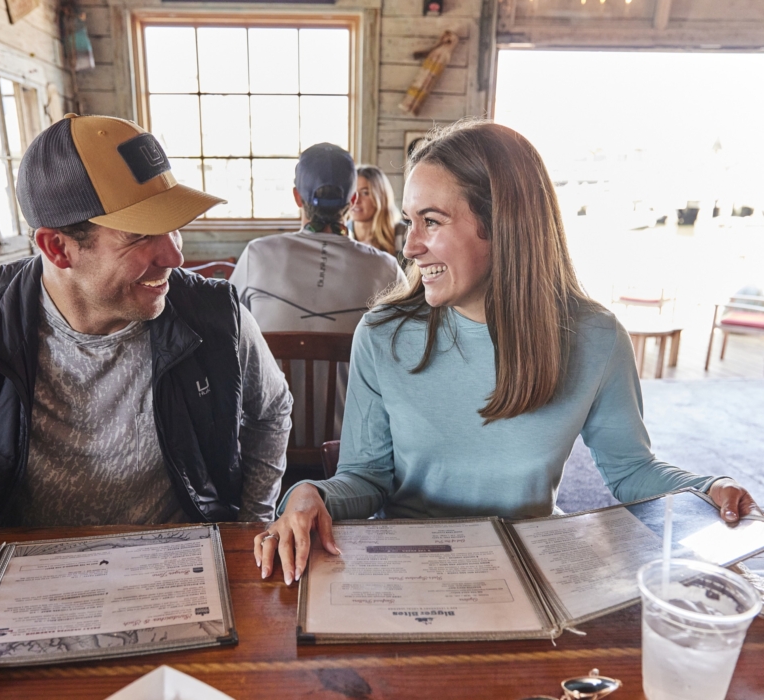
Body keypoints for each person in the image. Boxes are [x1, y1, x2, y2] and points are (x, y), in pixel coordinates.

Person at [0, 114, 293, 699]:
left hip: (182, 588)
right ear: (56, 246)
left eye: (174, 226)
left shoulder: (216, 314)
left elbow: (273, 410)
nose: (174, 255)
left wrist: (249, 522)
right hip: (5, 612)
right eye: (141, 236)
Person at [254, 121, 759, 585]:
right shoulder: (382, 333)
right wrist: (312, 492)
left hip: (530, 566)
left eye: (431, 221)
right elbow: (367, 478)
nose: (410, 247)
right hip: (409, 565)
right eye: (410, 222)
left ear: (505, 223)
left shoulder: (597, 338)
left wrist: (707, 486)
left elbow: (631, 471)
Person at [229, 143, 405, 447]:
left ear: (297, 197)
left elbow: (226, 336)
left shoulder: (257, 254)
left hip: (265, 449)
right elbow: (405, 356)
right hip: (351, 451)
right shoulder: (386, 268)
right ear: (351, 200)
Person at [347, 164, 407, 260]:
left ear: (381, 196)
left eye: (365, 193)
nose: (356, 200)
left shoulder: (403, 233)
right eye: (352, 192)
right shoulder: (342, 233)